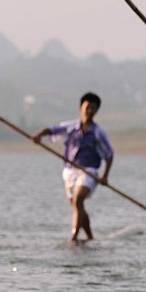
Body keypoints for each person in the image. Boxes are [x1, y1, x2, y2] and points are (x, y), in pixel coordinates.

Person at [32, 92, 114, 242]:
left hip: (88, 171)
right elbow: (51, 130)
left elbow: (109, 155)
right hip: (69, 172)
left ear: (97, 111)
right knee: (77, 205)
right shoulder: (71, 127)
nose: (90, 111)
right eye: (87, 107)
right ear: (81, 107)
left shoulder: (97, 132)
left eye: (93, 109)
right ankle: (90, 237)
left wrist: (105, 177)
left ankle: (74, 238)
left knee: (78, 200)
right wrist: (38, 136)